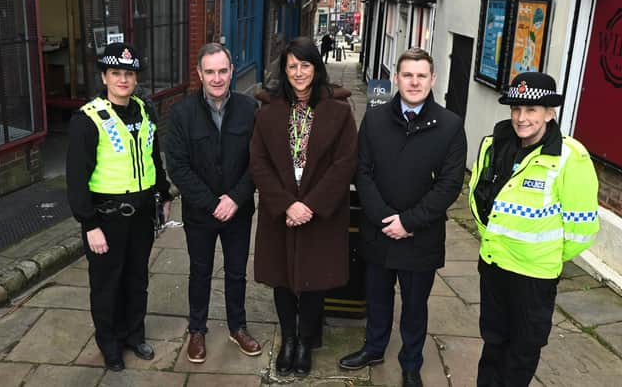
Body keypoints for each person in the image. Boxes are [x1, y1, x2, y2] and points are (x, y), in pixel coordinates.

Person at [339, 47, 467, 387]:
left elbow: (450, 185)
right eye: (407, 75)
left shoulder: (450, 126)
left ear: (432, 79)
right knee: (377, 297)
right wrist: (385, 219)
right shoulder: (375, 118)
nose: (413, 82)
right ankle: (374, 347)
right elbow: (362, 172)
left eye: (421, 75)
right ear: (396, 78)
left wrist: (408, 222)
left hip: (420, 237)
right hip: (378, 231)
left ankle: (411, 363)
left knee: (415, 307)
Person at [469, 72, 599, 387]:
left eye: (531, 110)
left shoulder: (571, 157)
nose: (521, 117)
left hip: (533, 277)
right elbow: (478, 196)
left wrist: (546, 254)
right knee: (493, 343)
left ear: (549, 113)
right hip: (493, 265)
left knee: (522, 353)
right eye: (516, 109)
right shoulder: (494, 144)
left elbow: (582, 231)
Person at [250, 36, 357, 378]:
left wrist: (309, 206)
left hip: (320, 213)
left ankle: (306, 341)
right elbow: (259, 161)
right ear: (284, 70)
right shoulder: (267, 111)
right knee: (282, 279)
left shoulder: (340, 111)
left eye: (305, 65)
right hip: (279, 211)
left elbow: (345, 163)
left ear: (317, 67)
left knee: (313, 280)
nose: (298, 72)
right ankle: (289, 339)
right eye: (292, 66)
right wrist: (286, 205)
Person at [66, 42, 172, 371]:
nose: (123, 79)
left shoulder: (144, 110)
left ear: (135, 78)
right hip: (106, 217)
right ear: (104, 76)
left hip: (141, 213)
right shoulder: (88, 119)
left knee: (137, 278)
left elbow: (153, 157)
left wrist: (164, 195)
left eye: (129, 73)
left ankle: (133, 334)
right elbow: (76, 177)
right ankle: (109, 343)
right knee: (107, 284)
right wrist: (89, 224)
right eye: (116, 73)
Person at [165, 43, 260, 364]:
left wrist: (235, 197)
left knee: (236, 272)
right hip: (199, 213)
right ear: (199, 74)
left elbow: (259, 162)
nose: (217, 78)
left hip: (239, 210)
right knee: (199, 271)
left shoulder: (251, 110)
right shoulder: (181, 114)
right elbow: (177, 166)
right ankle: (197, 330)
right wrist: (211, 203)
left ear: (232, 72)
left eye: (223, 71)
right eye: (210, 72)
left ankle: (238, 327)